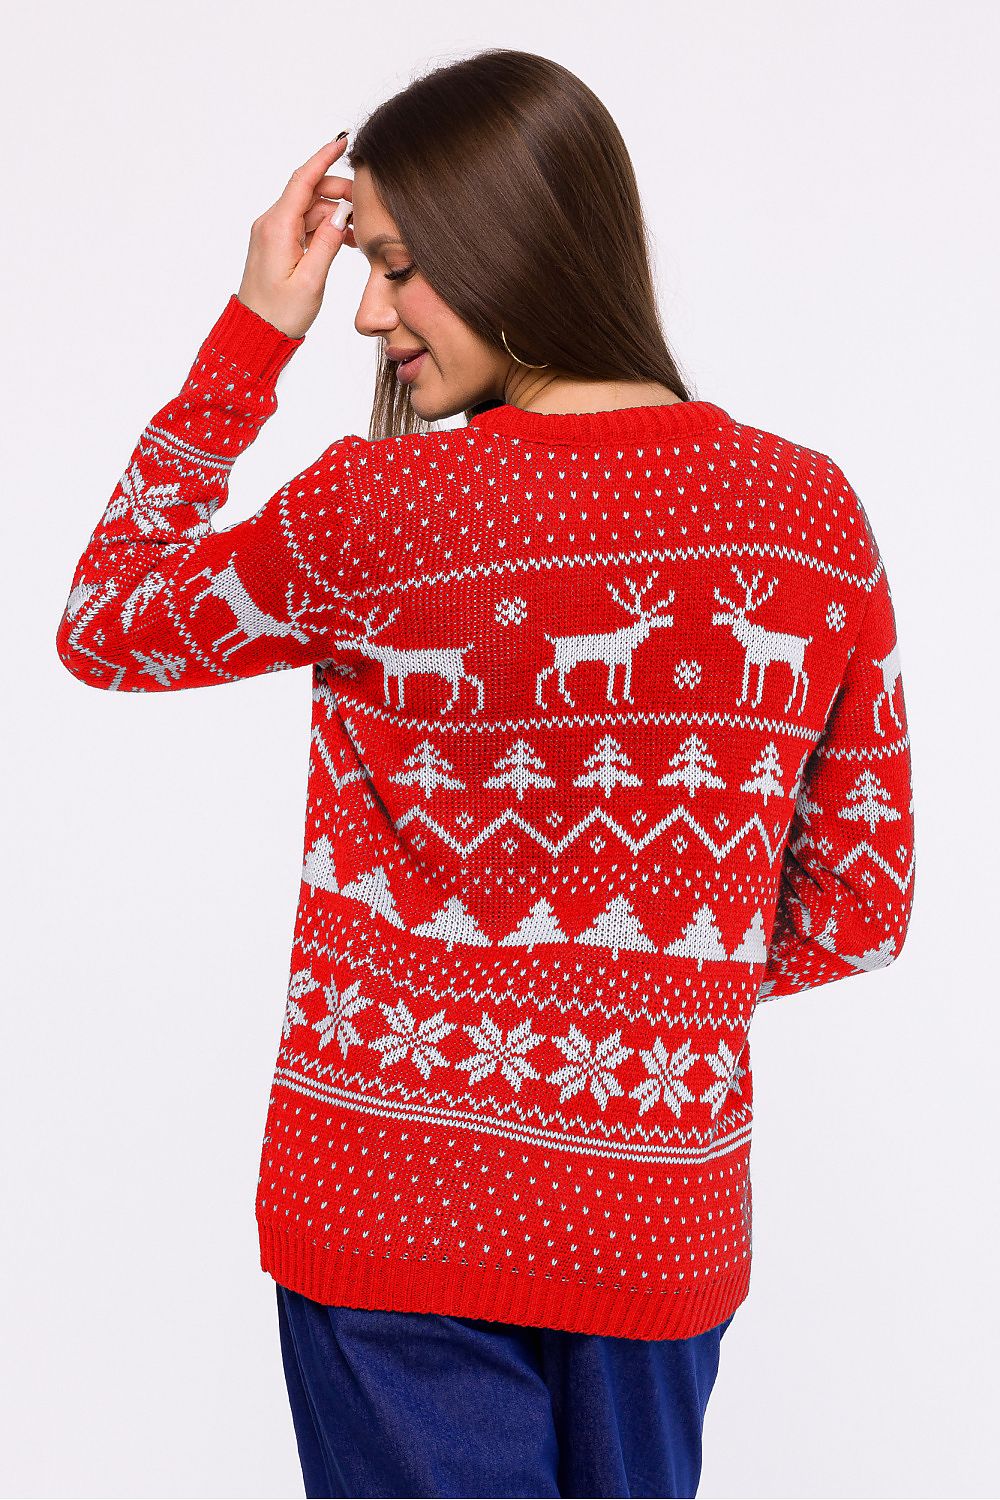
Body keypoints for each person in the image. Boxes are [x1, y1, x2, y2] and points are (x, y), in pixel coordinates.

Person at [55, 48, 915, 1500]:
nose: (366, 311)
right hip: (654, 1217)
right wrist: (635, 991)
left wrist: (251, 333)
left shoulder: (373, 506)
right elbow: (861, 907)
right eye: (360, 271)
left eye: (398, 268)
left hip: (390, 1206)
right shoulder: (806, 517)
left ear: (513, 243)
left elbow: (105, 621)